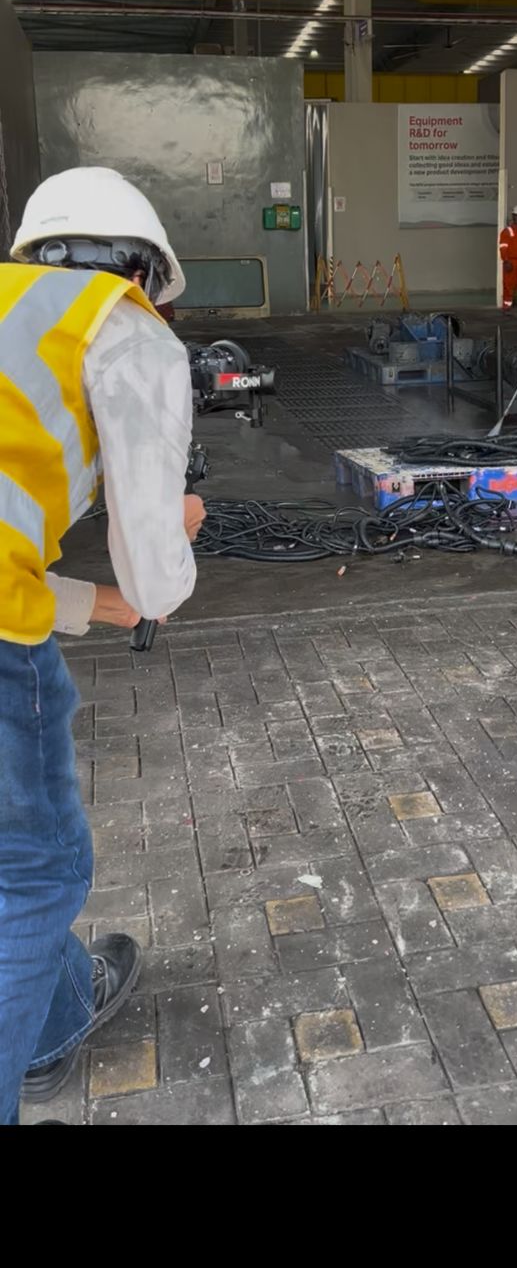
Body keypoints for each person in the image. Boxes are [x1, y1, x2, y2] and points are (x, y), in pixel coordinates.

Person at [0, 166, 205, 1127]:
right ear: (141, 266)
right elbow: (159, 571)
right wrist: (175, 531)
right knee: (38, 868)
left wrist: (102, 607)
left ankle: (52, 1018)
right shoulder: (120, 326)